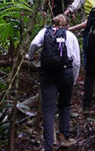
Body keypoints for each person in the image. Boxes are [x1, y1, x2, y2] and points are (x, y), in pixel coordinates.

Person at [27, 14, 80, 150]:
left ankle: (49, 145)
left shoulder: (45, 32)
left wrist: (30, 56)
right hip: (65, 72)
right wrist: (73, 79)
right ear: (67, 25)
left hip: (48, 73)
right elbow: (77, 61)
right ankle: (65, 138)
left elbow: (34, 44)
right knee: (65, 105)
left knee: (48, 109)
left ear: (53, 23)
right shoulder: (71, 36)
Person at [64, 0, 95, 64]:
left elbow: (74, 7)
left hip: (87, 25)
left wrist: (63, 15)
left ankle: (88, 71)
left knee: (87, 50)